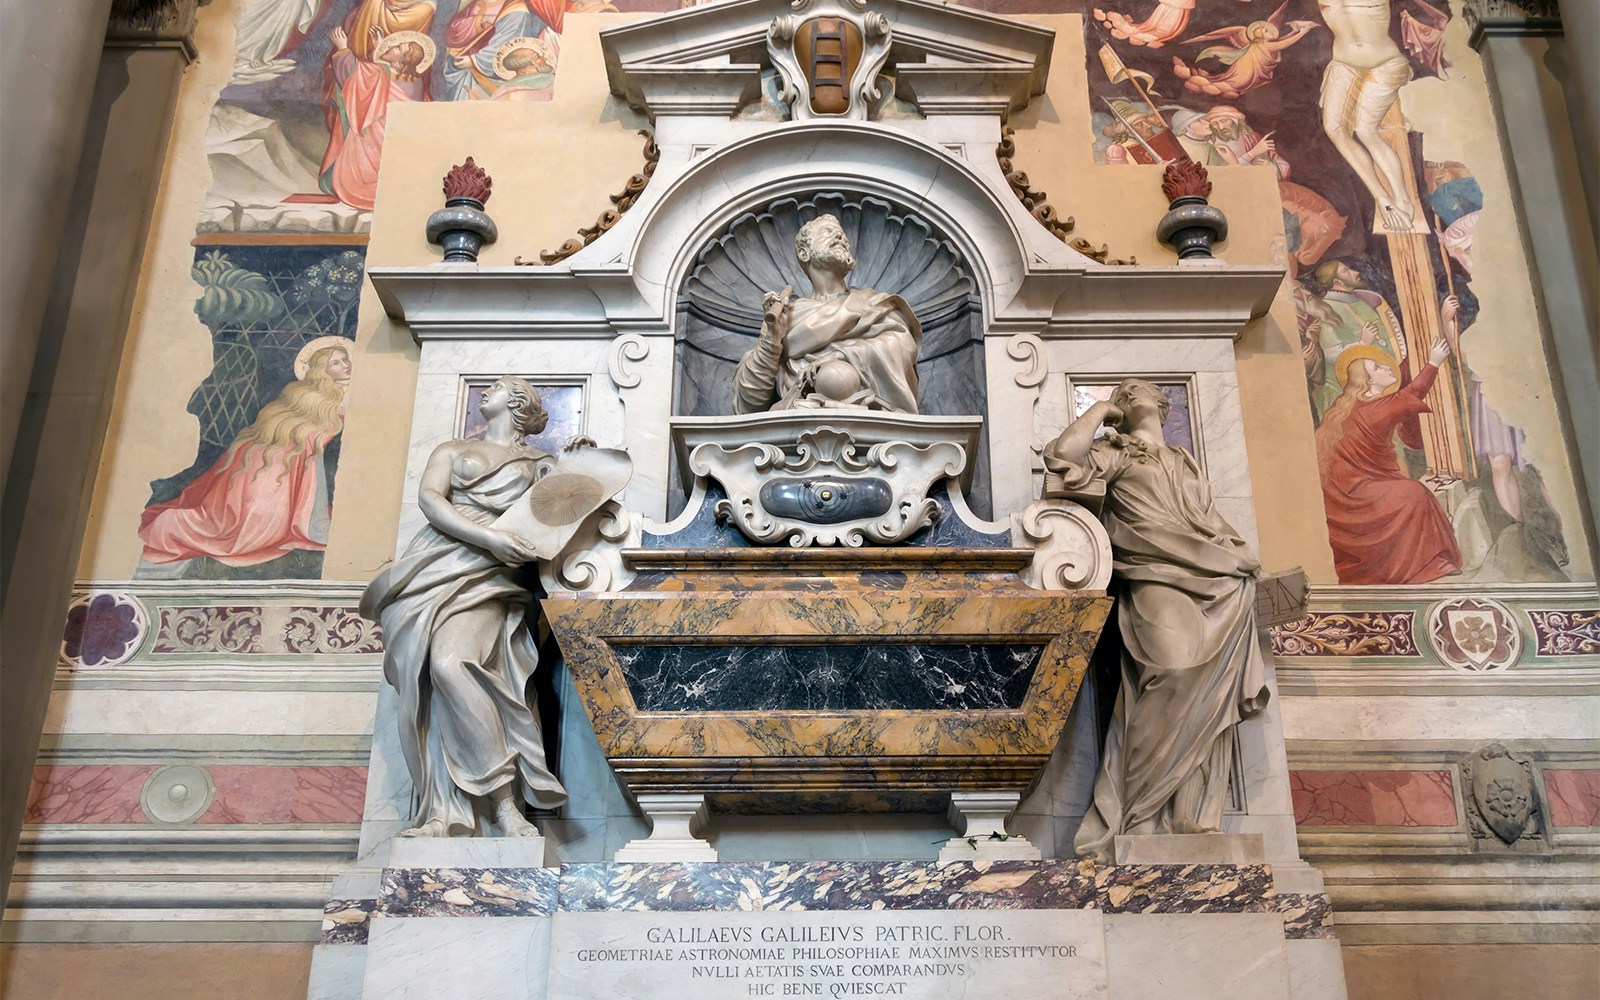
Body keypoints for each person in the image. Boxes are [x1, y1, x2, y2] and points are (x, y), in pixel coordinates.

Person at [1044, 379, 1269, 864]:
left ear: (1163, 404)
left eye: (1138, 389)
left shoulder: (1184, 462)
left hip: (1216, 579)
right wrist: (1100, 410)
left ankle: (1185, 815)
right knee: (1172, 674)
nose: (1130, 393)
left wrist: (1240, 555)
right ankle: (1137, 810)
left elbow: (1208, 522)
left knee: (1207, 695)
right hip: (1153, 574)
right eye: (1123, 391)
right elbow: (1062, 458)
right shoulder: (1117, 452)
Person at [360, 376, 570, 838]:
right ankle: (443, 811)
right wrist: (487, 536)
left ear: (518, 402)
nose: (486, 391)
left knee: (452, 665)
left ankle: (504, 801)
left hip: (492, 576)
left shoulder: (541, 464)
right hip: (432, 565)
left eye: (497, 386)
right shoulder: (451, 450)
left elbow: (561, 516)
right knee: (431, 682)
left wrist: (577, 467)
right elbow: (430, 499)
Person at [139, 343, 352, 571]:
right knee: (233, 526)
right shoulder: (304, 394)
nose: (346, 365)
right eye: (335, 362)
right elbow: (308, 433)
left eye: (345, 359)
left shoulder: (342, 394)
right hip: (270, 466)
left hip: (277, 462)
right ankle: (174, 526)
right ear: (321, 370)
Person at [733, 214, 922, 414]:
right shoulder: (784, 317)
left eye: (842, 235)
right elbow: (749, 406)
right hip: (796, 420)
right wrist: (771, 341)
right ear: (804, 253)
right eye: (827, 232)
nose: (840, 237)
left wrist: (841, 355)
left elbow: (901, 346)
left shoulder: (873, 303)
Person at [1315, 335, 1464, 585]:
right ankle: (1429, 563)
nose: (1386, 367)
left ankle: (1428, 561)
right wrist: (1433, 362)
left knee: (1413, 492)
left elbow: (1402, 385)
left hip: (1352, 488)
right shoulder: (1377, 409)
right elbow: (1413, 392)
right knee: (1414, 494)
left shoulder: (1351, 405)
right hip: (1358, 492)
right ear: (1369, 380)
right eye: (1377, 367)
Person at [1317, 0, 1417, 232]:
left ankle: (1402, 198)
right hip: (1343, 63)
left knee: (1366, 131)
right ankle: (1382, 198)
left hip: (1385, 63)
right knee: (1334, 128)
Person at [318, 28, 434, 211]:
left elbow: (355, 76)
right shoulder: (415, 80)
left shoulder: (380, 74)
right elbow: (380, 77)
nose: (392, 46)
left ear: (401, 61)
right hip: (394, 150)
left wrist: (342, 49)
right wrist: (381, 50)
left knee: (361, 180)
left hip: (372, 150)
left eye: (398, 48)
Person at [1306, 259, 1406, 417]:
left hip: (1382, 384)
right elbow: (1330, 354)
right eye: (1346, 271)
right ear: (1337, 282)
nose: (1356, 273)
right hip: (1350, 394)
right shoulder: (1327, 309)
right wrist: (1362, 342)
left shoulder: (1361, 301)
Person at [443, 0, 551, 101]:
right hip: (460, 64)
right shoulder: (480, 3)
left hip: (485, 75)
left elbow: (504, 47)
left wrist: (473, 61)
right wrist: (479, 20)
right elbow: (453, 33)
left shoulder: (516, 9)